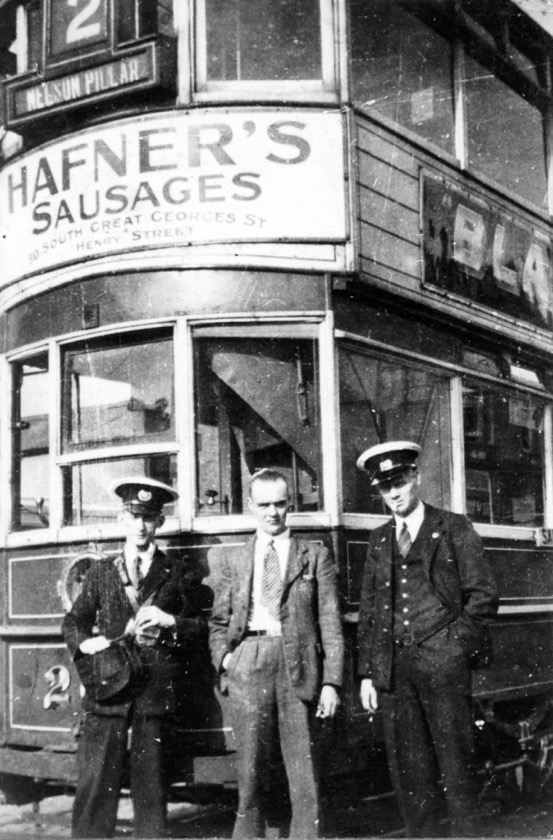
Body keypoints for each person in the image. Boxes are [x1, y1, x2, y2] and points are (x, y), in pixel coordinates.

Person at [356, 442, 498, 837]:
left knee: (457, 771)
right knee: (411, 776)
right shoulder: (379, 540)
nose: (395, 493)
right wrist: (369, 673)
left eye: (400, 481)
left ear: (416, 477)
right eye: (385, 488)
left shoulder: (453, 527)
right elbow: (371, 611)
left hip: (444, 668)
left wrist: (454, 648)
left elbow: (483, 596)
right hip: (396, 675)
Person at [63, 477, 205, 838]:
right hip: (109, 688)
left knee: (150, 792)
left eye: (149, 517)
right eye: (134, 515)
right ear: (121, 518)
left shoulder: (177, 572)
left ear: (159, 522)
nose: (141, 525)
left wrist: (170, 621)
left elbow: (200, 627)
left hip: (153, 692)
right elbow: (74, 621)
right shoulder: (102, 572)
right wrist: (85, 647)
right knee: (95, 786)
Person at [209, 468, 344, 839]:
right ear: (251, 506)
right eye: (265, 504)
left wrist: (332, 681)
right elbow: (219, 621)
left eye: (281, 504)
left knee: (304, 775)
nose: (273, 512)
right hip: (248, 661)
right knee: (249, 774)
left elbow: (330, 622)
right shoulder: (234, 559)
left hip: (297, 666)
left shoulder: (314, 556)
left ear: (290, 505)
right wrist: (225, 658)